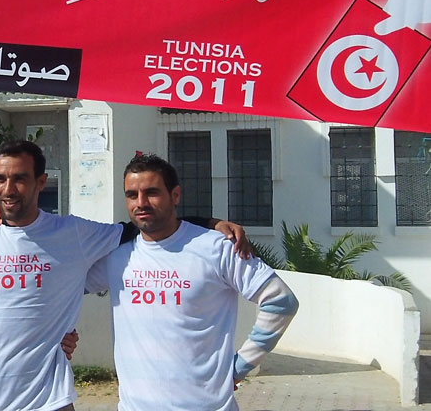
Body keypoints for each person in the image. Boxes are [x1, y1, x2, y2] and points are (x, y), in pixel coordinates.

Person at [0, 140, 250, 411]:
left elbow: (142, 224)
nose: (8, 189)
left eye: (20, 178)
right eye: (0, 179)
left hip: (47, 399)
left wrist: (210, 223)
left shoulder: (73, 234)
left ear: (41, 182)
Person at [85, 153, 299, 411]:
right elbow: (60, 288)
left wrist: (241, 366)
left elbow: (280, 301)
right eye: (132, 195)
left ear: (175, 195)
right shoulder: (117, 255)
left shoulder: (217, 247)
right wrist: (60, 334)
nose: (141, 203)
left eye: (152, 192)